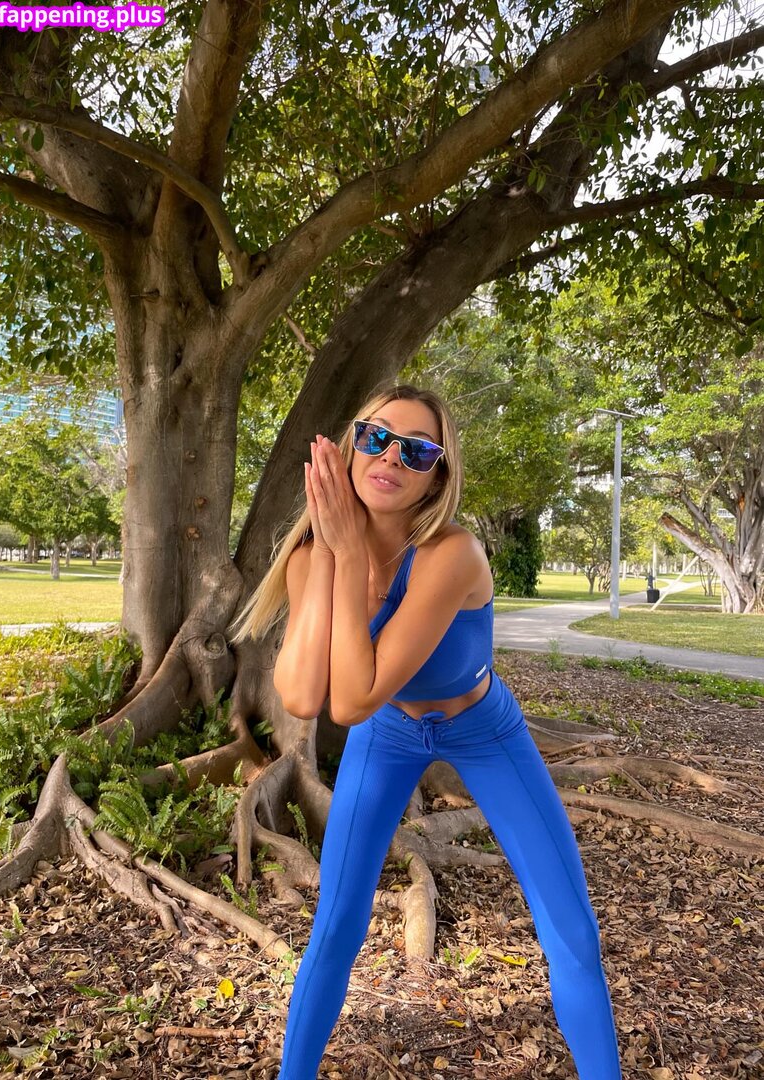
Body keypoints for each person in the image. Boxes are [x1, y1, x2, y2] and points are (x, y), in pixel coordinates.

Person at [230, 383, 622, 1080]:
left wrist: (350, 556)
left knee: (572, 931)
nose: (391, 457)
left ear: (437, 476)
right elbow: (304, 696)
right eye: (377, 437)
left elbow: (354, 697)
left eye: (417, 451)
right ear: (352, 447)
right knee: (336, 925)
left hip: (483, 729)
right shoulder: (312, 557)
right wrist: (334, 556)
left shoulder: (453, 555)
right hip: (388, 734)